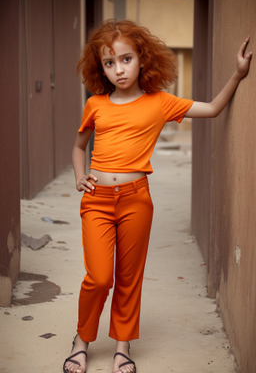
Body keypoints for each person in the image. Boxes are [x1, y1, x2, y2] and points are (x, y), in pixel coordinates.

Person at [63, 19, 252, 373]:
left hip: (136, 200)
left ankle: (122, 346)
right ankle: (81, 339)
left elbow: (211, 109)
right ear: (99, 67)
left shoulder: (160, 103)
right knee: (99, 277)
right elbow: (78, 147)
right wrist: (79, 176)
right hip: (97, 201)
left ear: (142, 59)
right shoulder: (96, 105)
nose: (118, 69)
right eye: (109, 63)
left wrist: (238, 75)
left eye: (125, 59)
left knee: (129, 276)